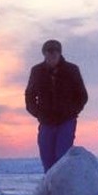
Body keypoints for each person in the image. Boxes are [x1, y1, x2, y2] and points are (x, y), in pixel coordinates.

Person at [24, 39, 89, 172]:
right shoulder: (37, 71)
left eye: (55, 51)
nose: (52, 54)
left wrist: (72, 111)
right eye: (49, 51)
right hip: (46, 121)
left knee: (62, 157)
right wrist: (38, 112)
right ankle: (51, 188)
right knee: (47, 157)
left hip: (66, 121)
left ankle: (62, 188)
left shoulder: (71, 69)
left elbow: (82, 95)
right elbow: (30, 95)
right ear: (44, 54)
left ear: (60, 53)